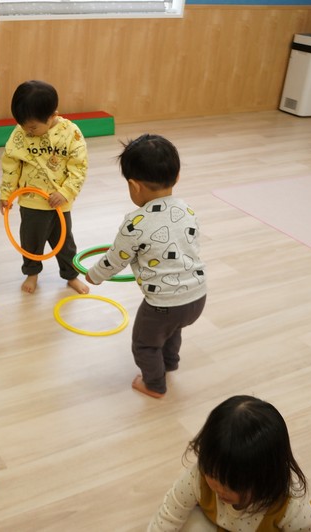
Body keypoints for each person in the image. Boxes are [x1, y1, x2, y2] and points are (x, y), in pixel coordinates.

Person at [85, 134, 206, 398]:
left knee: (144, 344)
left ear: (134, 186)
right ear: (177, 177)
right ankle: (170, 363)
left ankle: (154, 384)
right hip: (197, 296)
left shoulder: (135, 223)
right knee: (172, 329)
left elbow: (116, 258)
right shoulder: (187, 210)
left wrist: (94, 276)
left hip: (162, 303)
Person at [148, 395, 311, 531]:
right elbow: (168, 516)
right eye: (212, 474)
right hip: (218, 525)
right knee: (188, 523)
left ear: (266, 478)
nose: (219, 488)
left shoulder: (289, 505)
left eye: (233, 484)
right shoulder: (198, 477)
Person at [0, 80, 89, 295]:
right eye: (22, 125)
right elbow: (11, 165)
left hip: (60, 203)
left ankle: (71, 275)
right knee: (30, 242)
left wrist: (66, 192)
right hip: (31, 202)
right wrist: (6, 194)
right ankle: (32, 273)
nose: (27, 131)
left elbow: (79, 167)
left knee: (65, 243)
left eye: (32, 127)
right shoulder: (20, 133)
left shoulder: (71, 133)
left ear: (52, 116)